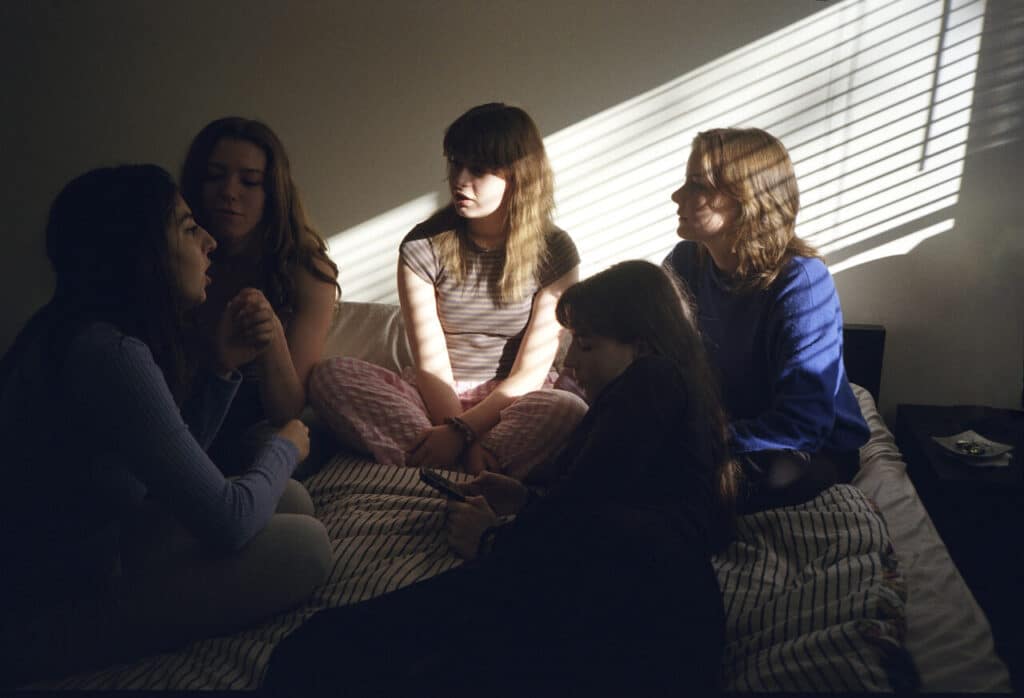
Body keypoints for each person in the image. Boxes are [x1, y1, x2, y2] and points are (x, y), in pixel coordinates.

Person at [263, 260, 737, 696]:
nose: (571, 365)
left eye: (588, 346)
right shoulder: (676, 406)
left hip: (629, 618)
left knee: (319, 651)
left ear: (643, 343)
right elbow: (608, 506)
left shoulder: (651, 379)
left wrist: (493, 540)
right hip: (635, 612)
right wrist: (526, 502)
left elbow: (588, 521)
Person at [0, 165, 332, 688]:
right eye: (186, 227)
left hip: (94, 545)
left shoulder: (78, 330)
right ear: (140, 251)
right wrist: (285, 442)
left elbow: (165, 473)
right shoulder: (107, 353)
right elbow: (227, 521)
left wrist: (222, 367)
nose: (210, 242)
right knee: (308, 545)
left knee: (291, 499)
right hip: (48, 607)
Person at [310, 103, 586, 481]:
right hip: (434, 397)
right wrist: (455, 431)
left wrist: (466, 432)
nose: (459, 180)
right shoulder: (423, 246)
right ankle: (471, 465)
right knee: (330, 375)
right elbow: (430, 362)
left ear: (518, 175)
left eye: (478, 169)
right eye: (455, 164)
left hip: (513, 400)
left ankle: (442, 462)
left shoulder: (555, 251)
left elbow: (531, 370)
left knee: (568, 409)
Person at [664, 127, 870, 512]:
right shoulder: (685, 262)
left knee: (732, 481)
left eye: (697, 185)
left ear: (745, 199)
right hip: (726, 427)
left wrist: (708, 439)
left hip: (802, 447)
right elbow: (658, 355)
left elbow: (803, 423)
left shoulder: (801, 283)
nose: (678, 196)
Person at [180, 117, 341, 475]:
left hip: (260, 424)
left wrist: (269, 335)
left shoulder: (305, 270)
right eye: (215, 176)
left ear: (273, 192)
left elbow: (287, 410)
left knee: (284, 440)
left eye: (250, 181)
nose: (229, 192)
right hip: (183, 415)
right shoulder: (175, 258)